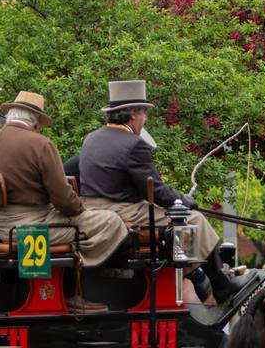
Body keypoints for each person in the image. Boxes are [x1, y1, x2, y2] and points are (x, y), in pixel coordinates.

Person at [77, 80, 248, 305]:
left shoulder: (91, 138)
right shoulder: (133, 145)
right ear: (132, 115)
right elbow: (158, 192)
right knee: (193, 219)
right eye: (144, 113)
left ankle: (195, 275)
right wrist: (184, 200)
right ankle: (220, 284)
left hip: (91, 210)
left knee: (178, 216)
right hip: (120, 211)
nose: (145, 119)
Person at [0, 92, 127, 311]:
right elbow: (64, 200)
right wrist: (80, 208)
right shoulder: (41, 144)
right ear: (35, 121)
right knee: (109, 220)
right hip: (28, 227)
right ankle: (73, 289)